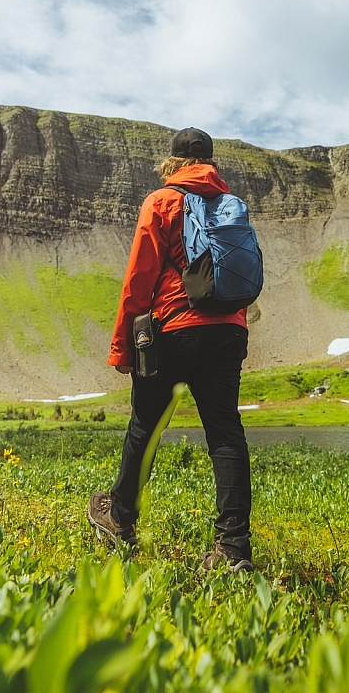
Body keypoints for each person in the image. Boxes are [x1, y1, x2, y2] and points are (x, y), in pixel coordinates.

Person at [87, 127, 254, 572]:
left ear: (173, 162)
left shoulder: (161, 202)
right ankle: (233, 548)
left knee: (146, 425)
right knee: (225, 433)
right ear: (211, 162)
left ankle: (120, 519)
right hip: (229, 330)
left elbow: (138, 281)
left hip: (174, 327)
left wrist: (123, 348)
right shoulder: (231, 204)